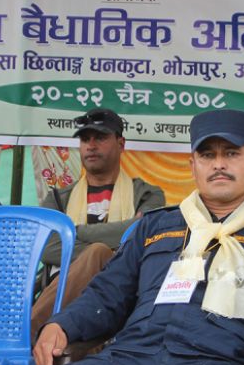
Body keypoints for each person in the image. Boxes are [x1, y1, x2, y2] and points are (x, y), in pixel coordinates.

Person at [33, 109, 244, 365]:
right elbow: (107, 293)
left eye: (231, 153)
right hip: (127, 361)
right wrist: (62, 325)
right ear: (193, 166)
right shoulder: (155, 227)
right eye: (207, 155)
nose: (219, 164)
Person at [31, 108, 165, 338]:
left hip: (120, 292)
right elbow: (46, 248)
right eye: (85, 139)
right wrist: (116, 242)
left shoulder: (147, 195)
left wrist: (73, 232)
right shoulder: (57, 199)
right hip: (61, 291)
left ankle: (28, 332)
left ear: (121, 144)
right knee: (97, 252)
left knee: (98, 252)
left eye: (100, 137)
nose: (91, 146)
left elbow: (141, 238)